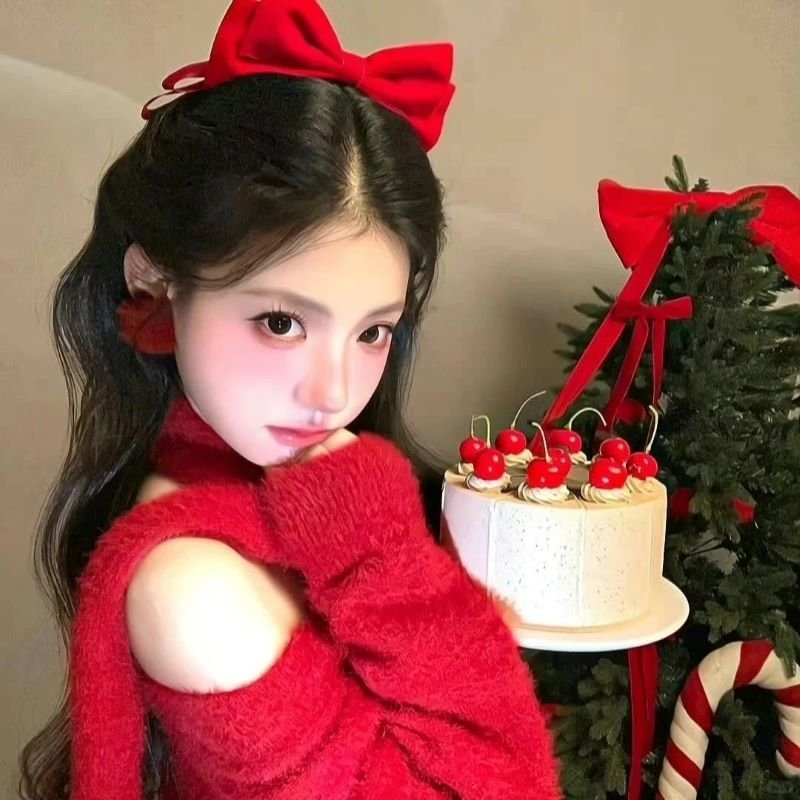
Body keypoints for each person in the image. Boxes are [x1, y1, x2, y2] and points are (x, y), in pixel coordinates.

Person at [20, 0, 562, 797]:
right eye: (281, 322)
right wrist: (386, 560)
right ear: (154, 282)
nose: (332, 394)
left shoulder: (286, 489)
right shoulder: (194, 591)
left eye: (373, 332)